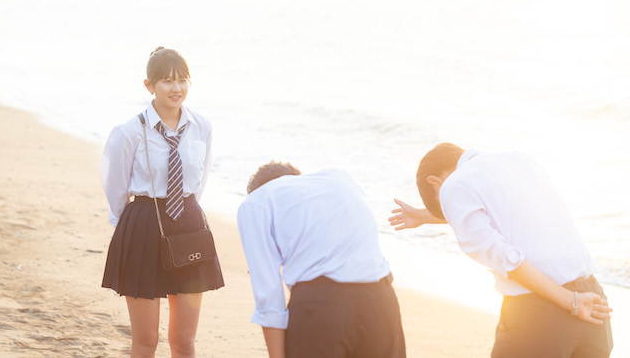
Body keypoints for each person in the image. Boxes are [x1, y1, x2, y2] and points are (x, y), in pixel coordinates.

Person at [389, 143, 613, 358]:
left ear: (435, 181)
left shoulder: (453, 184)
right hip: (594, 306)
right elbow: (503, 214)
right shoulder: (519, 161)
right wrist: (423, 215)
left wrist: (571, 301)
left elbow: (507, 259)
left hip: (543, 313)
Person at [101, 47, 224, 357]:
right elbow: (114, 186)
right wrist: (126, 226)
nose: (176, 88)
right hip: (142, 225)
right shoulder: (129, 132)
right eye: (167, 81)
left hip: (188, 224)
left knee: (184, 341)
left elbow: (200, 181)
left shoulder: (202, 127)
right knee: (145, 341)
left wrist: (186, 213)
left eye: (183, 80)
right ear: (149, 86)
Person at [237, 162, 406, 358]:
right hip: (381, 300)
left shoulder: (256, 203)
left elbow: (269, 298)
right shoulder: (339, 177)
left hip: (320, 309)